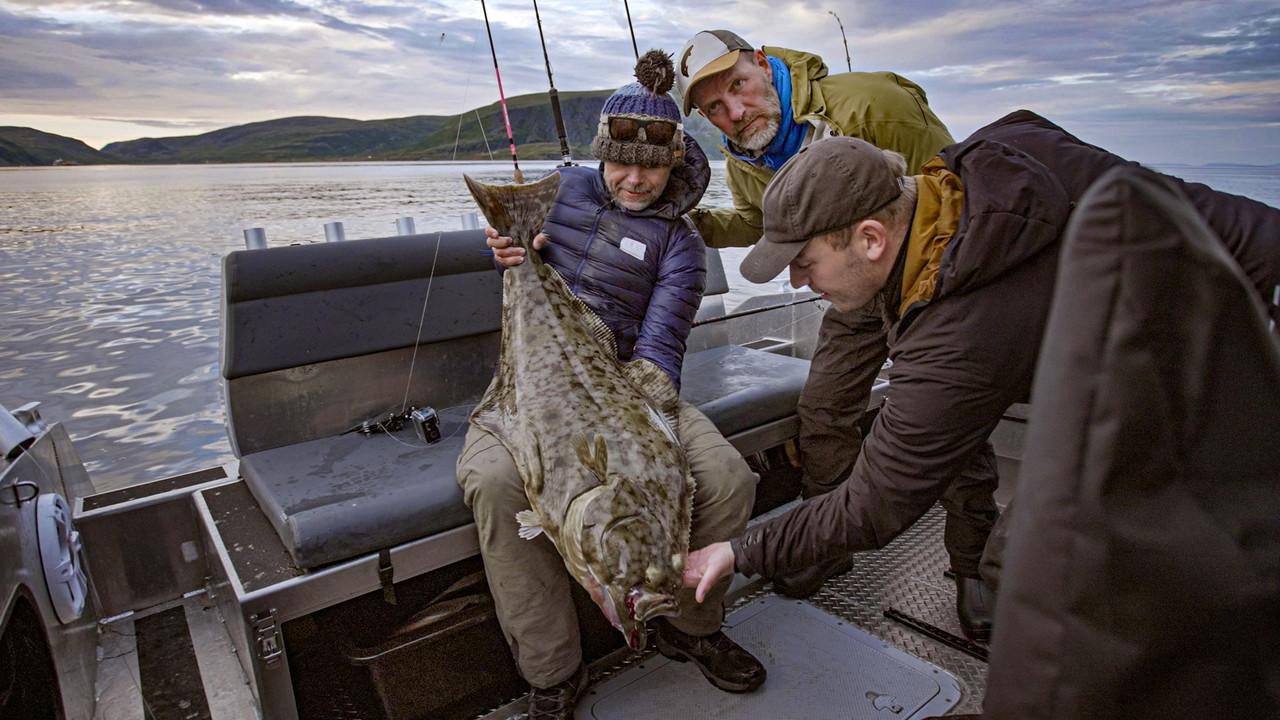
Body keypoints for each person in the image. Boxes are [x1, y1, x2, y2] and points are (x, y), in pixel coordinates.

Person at [681, 110, 1280, 646]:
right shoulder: (997, 147)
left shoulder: (957, 336)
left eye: (805, 262)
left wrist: (741, 549)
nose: (796, 282)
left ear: (871, 238)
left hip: (1231, 375)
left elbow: (875, 504)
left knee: (1028, 578)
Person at [456, 50, 765, 720]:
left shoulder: (681, 243)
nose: (635, 180)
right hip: (535, 383)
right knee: (495, 485)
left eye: (652, 167)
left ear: (674, 163)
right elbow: (516, 268)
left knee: (727, 477)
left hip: (631, 385)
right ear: (601, 155)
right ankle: (553, 673)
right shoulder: (556, 193)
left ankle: (691, 626)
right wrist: (507, 248)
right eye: (621, 163)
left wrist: (632, 440)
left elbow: (661, 347)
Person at [672, 29, 987, 613]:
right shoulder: (743, 154)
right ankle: (826, 545)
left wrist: (946, 300)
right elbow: (758, 222)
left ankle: (975, 561)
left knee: (948, 416)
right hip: (854, 290)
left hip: (934, 282)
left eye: (738, 85)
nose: (733, 113)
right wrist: (690, 222)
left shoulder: (872, 105)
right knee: (822, 409)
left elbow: (956, 191)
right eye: (713, 108)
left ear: (762, 62)